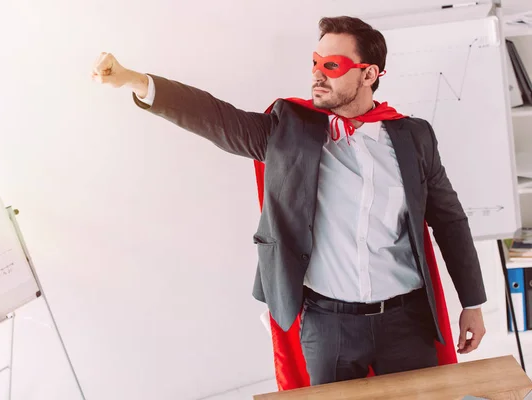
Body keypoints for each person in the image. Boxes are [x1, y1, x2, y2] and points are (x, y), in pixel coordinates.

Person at [91, 16, 487, 386]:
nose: (317, 73)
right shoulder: (288, 131)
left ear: (369, 74)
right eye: (315, 62)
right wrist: (135, 81)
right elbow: (215, 117)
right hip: (328, 325)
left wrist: (472, 302)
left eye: (332, 65)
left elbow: (449, 219)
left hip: (407, 320)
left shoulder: (413, 138)